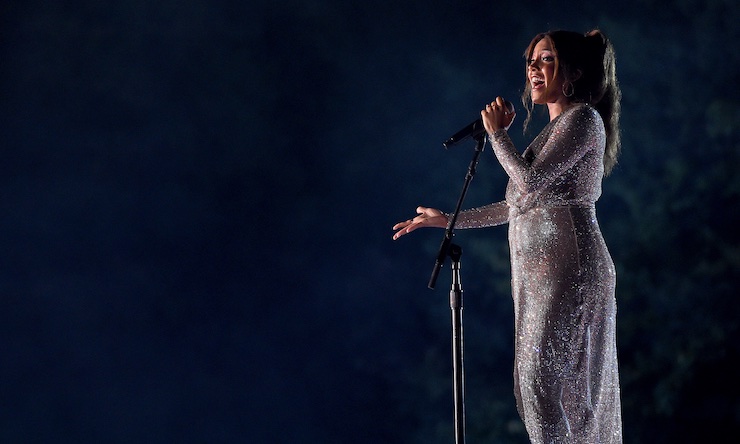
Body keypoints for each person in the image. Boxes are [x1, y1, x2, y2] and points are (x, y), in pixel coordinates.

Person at [393, 29, 623, 443]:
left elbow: (530, 184)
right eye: (531, 61)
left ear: (571, 72)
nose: (533, 68)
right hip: (538, 277)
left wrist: (498, 135)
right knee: (533, 388)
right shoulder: (549, 134)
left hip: (571, 269)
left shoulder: (584, 120)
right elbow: (516, 205)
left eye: (546, 59)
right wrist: (447, 219)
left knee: (545, 387)